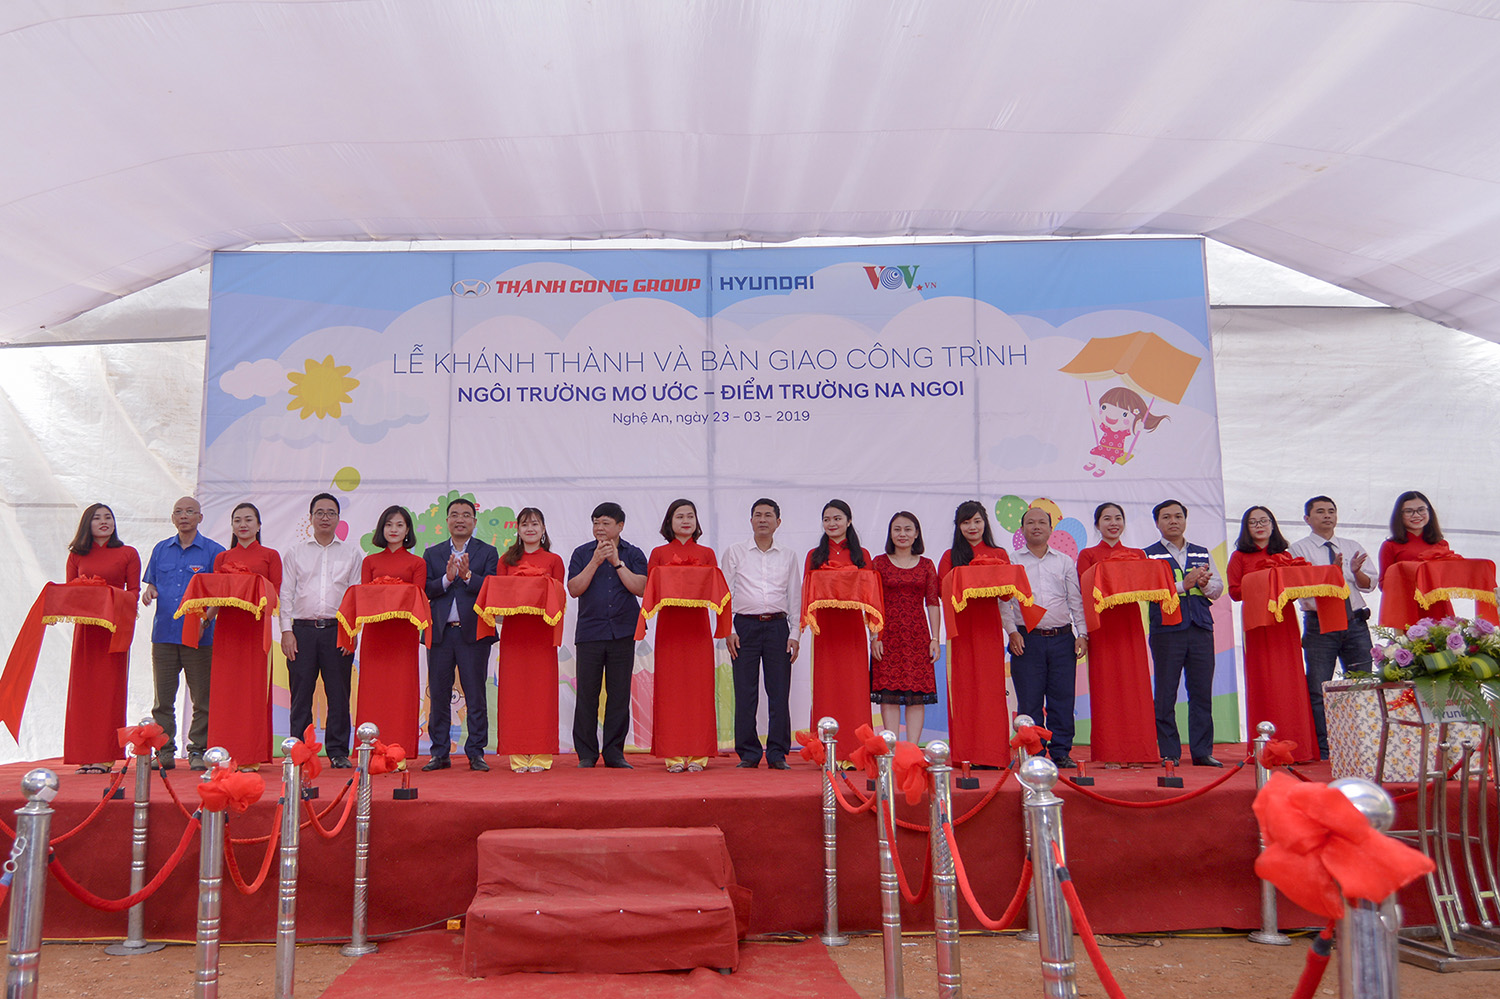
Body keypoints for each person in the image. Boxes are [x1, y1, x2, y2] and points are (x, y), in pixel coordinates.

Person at [1227, 507, 1318, 763]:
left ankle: (1298, 747)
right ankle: (1265, 748)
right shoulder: (1239, 557)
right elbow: (1235, 592)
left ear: (1273, 525)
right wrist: (1264, 580)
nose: (1259, 526)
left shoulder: (1285, 555)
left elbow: (1296, 591)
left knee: (1290, 681)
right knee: (1264, 680)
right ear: (1246, 528)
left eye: (1264, 521)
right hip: (1257, 623)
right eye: (1253, 522)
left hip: (1284, 622)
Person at [279, 492, 362, 767]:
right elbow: (286, 594)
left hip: (337, 630)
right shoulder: (295, 552)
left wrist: (351, 633)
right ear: (311, 517)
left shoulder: (351, 553)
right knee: (301, 693)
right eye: (320, 512)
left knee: (338, 693)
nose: (325, 517)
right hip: (301, 631)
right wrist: (286, 631)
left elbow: (355, 597)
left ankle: (337, 751)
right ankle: (300, 750)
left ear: (338, 518)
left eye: (331, 513)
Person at [141, 496, 224, 770]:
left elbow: (220, 596)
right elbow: (152, 584)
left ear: (200, 517)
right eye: (178, 512)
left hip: (199, 636)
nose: (184, 516)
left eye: (190, 511)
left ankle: (197, 750)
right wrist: (150, 591)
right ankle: (164, 751)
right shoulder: (161, 549)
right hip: (164, 634)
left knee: (203, 699)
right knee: (162, 700)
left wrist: (206, 621)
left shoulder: (214, 552)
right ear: (172, 518)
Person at [1289, 496, 1375, 760]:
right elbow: (1297, 589)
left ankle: (1362, 745)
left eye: (1331, 511)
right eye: (1320, 512)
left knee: (1361, 684)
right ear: (1307, 519)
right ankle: (1326, 748)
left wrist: (1354, 572)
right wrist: (1329, 575)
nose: (1327, 516)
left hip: (1355, 622)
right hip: (1320, 624)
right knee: (1320, 687)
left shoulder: (1351, 546)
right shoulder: (1297, 550)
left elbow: (1369, 585)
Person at [1074, 502, 1159, 765]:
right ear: (1097, 524)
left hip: (1130, 625)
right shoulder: (1087, 555)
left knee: (1136, 688)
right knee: (1106, 688)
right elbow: (1085, 589)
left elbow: (1146, 585)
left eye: (1118, 518)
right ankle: (1110, 753)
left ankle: (1138, 752)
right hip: (1102, 626)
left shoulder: (1137, 554)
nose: (1113, 523)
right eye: (1107, 518)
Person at [1002, 508, 1088, 767]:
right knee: (1030, 700)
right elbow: (1004, 602)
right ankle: (1034, 752)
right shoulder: (1011, 561)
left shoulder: (1064, 561)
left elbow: (1075, 600)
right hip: (1026, 640)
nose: (1036, 526)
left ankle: (1061, 752)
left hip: (1062, 638)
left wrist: (1082, 634)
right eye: (1031, 522)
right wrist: (1012, 631)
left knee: (1062, 698)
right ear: (1022, 529)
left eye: (1042, 522)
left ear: (1051, 529)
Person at [568, 501, 648, 768]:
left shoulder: (633, 554)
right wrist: (595, 561)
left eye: (605, 523)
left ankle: (614, 753)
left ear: (620, 526)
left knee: (618, 694)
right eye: (595, 523)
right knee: (587, 695)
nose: (599, 528)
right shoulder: (582, 553)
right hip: (590, 633)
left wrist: (616, 563)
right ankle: (587, 754)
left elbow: (642, 588)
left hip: (623, 632)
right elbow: (574, 589)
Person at [723, 499, 801, 770]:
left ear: (778, 522)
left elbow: (794, 596)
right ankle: (749, 752)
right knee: (745, 691)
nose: (762, 520)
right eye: (757, 515)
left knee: (779, 691)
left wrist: (795, 633)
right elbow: (725, 594)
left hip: (778, 627)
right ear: (751, 521)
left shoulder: (788, 555)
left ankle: (778, 752)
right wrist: (729, 630)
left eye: (768, 515)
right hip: (744, 627)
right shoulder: (735, 552)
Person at [1144, 499, 1223, 767]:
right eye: (1166, 517)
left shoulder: (1202, 552)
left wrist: (1205, 584)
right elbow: (1148, 591)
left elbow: (1218, 589)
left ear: (1185, 520)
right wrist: (1183, 585)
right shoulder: (1148, 555)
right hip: (1166, 631)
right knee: (1166, 693)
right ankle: (1170, 752)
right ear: (1157, 523)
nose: (1173, 521)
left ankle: (1202, 752)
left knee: (1201, 692)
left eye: (1178, 516)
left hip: (1200, 627)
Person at [422, 497, 499, 772]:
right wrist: (447, 578)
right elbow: (425, 589)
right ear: (446, 521)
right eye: (454, 514)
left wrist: (466, 576)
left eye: (466, 515)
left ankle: (476, 752)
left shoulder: (488, 552)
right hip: (441, 633)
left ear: (474, 522)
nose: (460, 519)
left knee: (475, 694)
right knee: (439, 695)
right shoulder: (432, 554)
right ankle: (439, 753)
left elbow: (492, 588)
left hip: (474, 633)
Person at [63, 503, 141, 771]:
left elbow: (133, 593)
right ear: (87, 523)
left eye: (108, 517)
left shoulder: (128, 553)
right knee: (83, 693)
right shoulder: (76, 555)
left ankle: (105, 756)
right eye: (97, 518)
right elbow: (70, 591)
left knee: (109, 692)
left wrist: (107, 596)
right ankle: (85, 755)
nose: (104, 521)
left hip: (113, 629)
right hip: (86, 630)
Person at [646, 499, 721, 772]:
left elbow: (717, 592)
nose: (686, 521)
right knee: (671, 690)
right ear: (670, 522)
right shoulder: (658, 554)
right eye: (680, 516)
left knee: (699, 690)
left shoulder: (707, 554)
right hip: (669, 631)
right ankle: (674, 754)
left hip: (698, 630)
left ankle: (699, 754)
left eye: (690, 516)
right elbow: (650, 592)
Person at [802, 499, 879, 760]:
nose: (832, 523)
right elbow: (806, 592)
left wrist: (875, 634)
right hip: (825, 631)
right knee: (827, 687)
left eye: (837, 518)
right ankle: (826, 751)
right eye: (827, 519)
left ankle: (855, 750)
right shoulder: (814, 555)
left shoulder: (862, 555)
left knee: (854, 689)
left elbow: (871, 596)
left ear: (848, 521)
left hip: (853, 630)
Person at [938, 500, 1013, 766]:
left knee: (991, 690)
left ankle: (993, 754)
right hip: (961, 631)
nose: (972, 527)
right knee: (965, 689)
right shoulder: (950, 556)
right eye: (966, 522)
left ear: (985, 523)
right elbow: (943, 591)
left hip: (989, 629)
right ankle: (966, 754)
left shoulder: (999, 553)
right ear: (958, 526)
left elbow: (1007, 594)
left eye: (977, 521)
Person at [208, 502, 283, 767]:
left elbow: (275, 594)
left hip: (255, 629)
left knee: (252, 691)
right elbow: (217, 595)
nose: (243, 524)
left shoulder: (270, 556)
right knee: (225, 691)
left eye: (249, 519)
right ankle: (223, 753)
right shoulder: (222, 558)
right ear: (231, 526)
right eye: (238, 520)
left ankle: (250, 755)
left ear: (259, 525)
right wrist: (204, 618)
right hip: (227, 630)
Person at [494, 507, 566, 772]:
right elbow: (500, 596)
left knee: (541, 693)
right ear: (518, 529)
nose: (530, 529)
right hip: (514, 633)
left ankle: (541, 753)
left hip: (542, 634)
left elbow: (559, 596)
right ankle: (516, 753)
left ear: (543, 528)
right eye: (525, 524)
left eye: (535, 524)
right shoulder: (506, 560)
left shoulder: (554, 560)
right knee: (514, 692)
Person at [355, 505, 427, 756]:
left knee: (401, 691)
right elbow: (365, 598)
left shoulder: (417, 563)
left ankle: (400, 750)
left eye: (399, 525)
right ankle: (370, 749)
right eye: (389, 524)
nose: (393, 530)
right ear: (381, 529)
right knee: (373, 690)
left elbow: (418, 599)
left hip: (404, 634)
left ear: (408, 530)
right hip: (375, 633)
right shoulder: (370, 561)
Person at [870, 511, 940, 744]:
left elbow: (932, 602)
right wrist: (874, 636)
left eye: (908, 529)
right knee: (888, 695)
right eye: (897, 529)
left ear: (916, 533)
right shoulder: (879, 563)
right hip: (887, 635)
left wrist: (935, 638)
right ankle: (891, 749)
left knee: (916, 696)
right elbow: (872, 602)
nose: (902, 534)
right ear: (890, 533)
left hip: (918, 636)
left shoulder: (927, 565)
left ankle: (911, 750)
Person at [1378, 490, 1456, 620]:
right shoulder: (1390, 546)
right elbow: (1383, 584)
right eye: (1409, 511)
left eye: (1421, 510)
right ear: (1399, 515)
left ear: (1429, 512)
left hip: (1438, 605)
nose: (1416, 515)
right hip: (1408, 607)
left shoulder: (1441, 544)